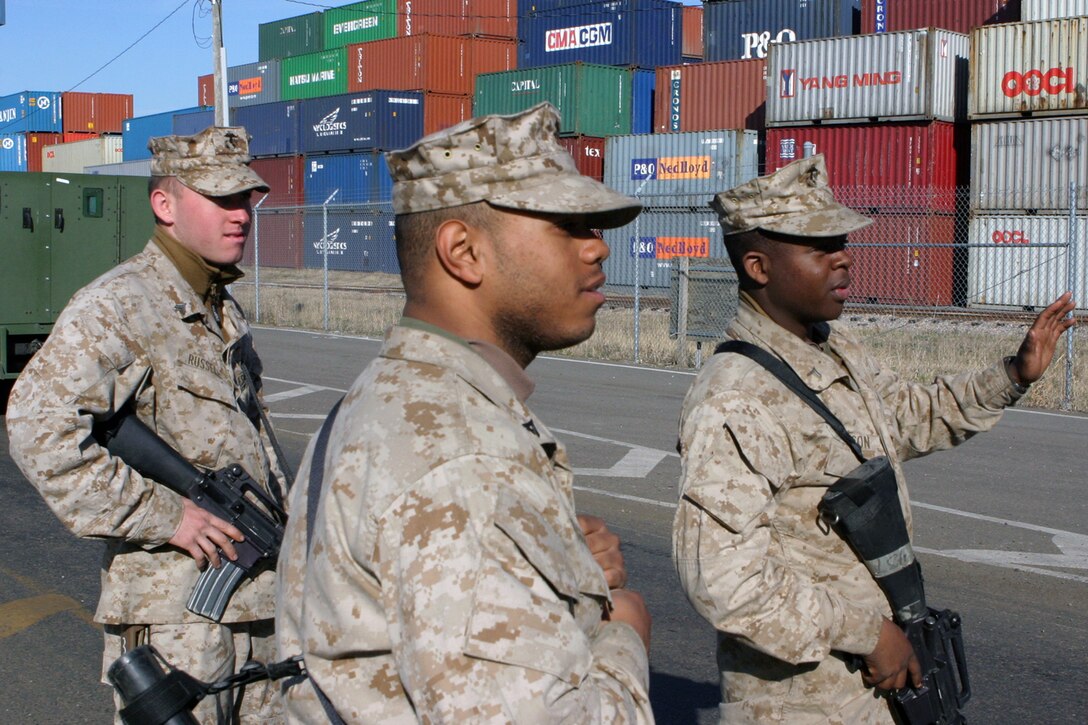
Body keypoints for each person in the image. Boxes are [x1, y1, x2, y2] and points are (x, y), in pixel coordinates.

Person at [275, 102, 654, 722]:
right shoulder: (460, 456)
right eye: (567, 225)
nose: (597, 249)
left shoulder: (394, 394)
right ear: (463, 252)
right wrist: (625, 637)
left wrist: (562, 561)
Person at [671, 154, 1075, 723]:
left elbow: (909, 416)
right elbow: (723, 581)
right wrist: (866, 633)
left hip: (874, 686)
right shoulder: (735, 397)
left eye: (841, 241)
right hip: (806, 702)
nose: (844, 258)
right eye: (820, 247)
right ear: (759, 267)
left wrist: (1012, 375)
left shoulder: (832, 348)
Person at [6, 126, 288, 724]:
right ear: (165, 204)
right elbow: (37, 425)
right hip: (180, 625)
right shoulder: (120, 305)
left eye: (245, 199)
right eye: (220, 199)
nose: (240, 215)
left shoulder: (217, 305)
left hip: (257, 613)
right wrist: (168, 516)